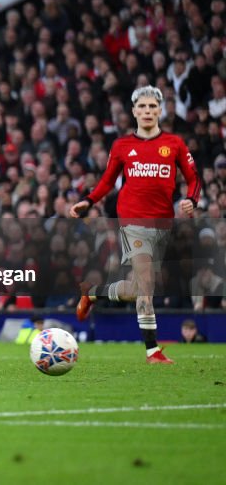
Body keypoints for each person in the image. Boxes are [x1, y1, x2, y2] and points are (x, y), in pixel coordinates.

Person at [71, 86, 200, 364]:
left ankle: (92, 293)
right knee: (146, 284)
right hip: (132, 220)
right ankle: (152, 351)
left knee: (138, 289)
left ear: (160, 110)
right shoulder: (121, 146)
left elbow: (194, 178)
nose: (147, 111)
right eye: (142, 107)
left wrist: (192, 200)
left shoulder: (174, 144)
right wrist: (88, 201)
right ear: (133, 111)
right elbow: (107, 180)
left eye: (153, 107)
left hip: (163, 223)